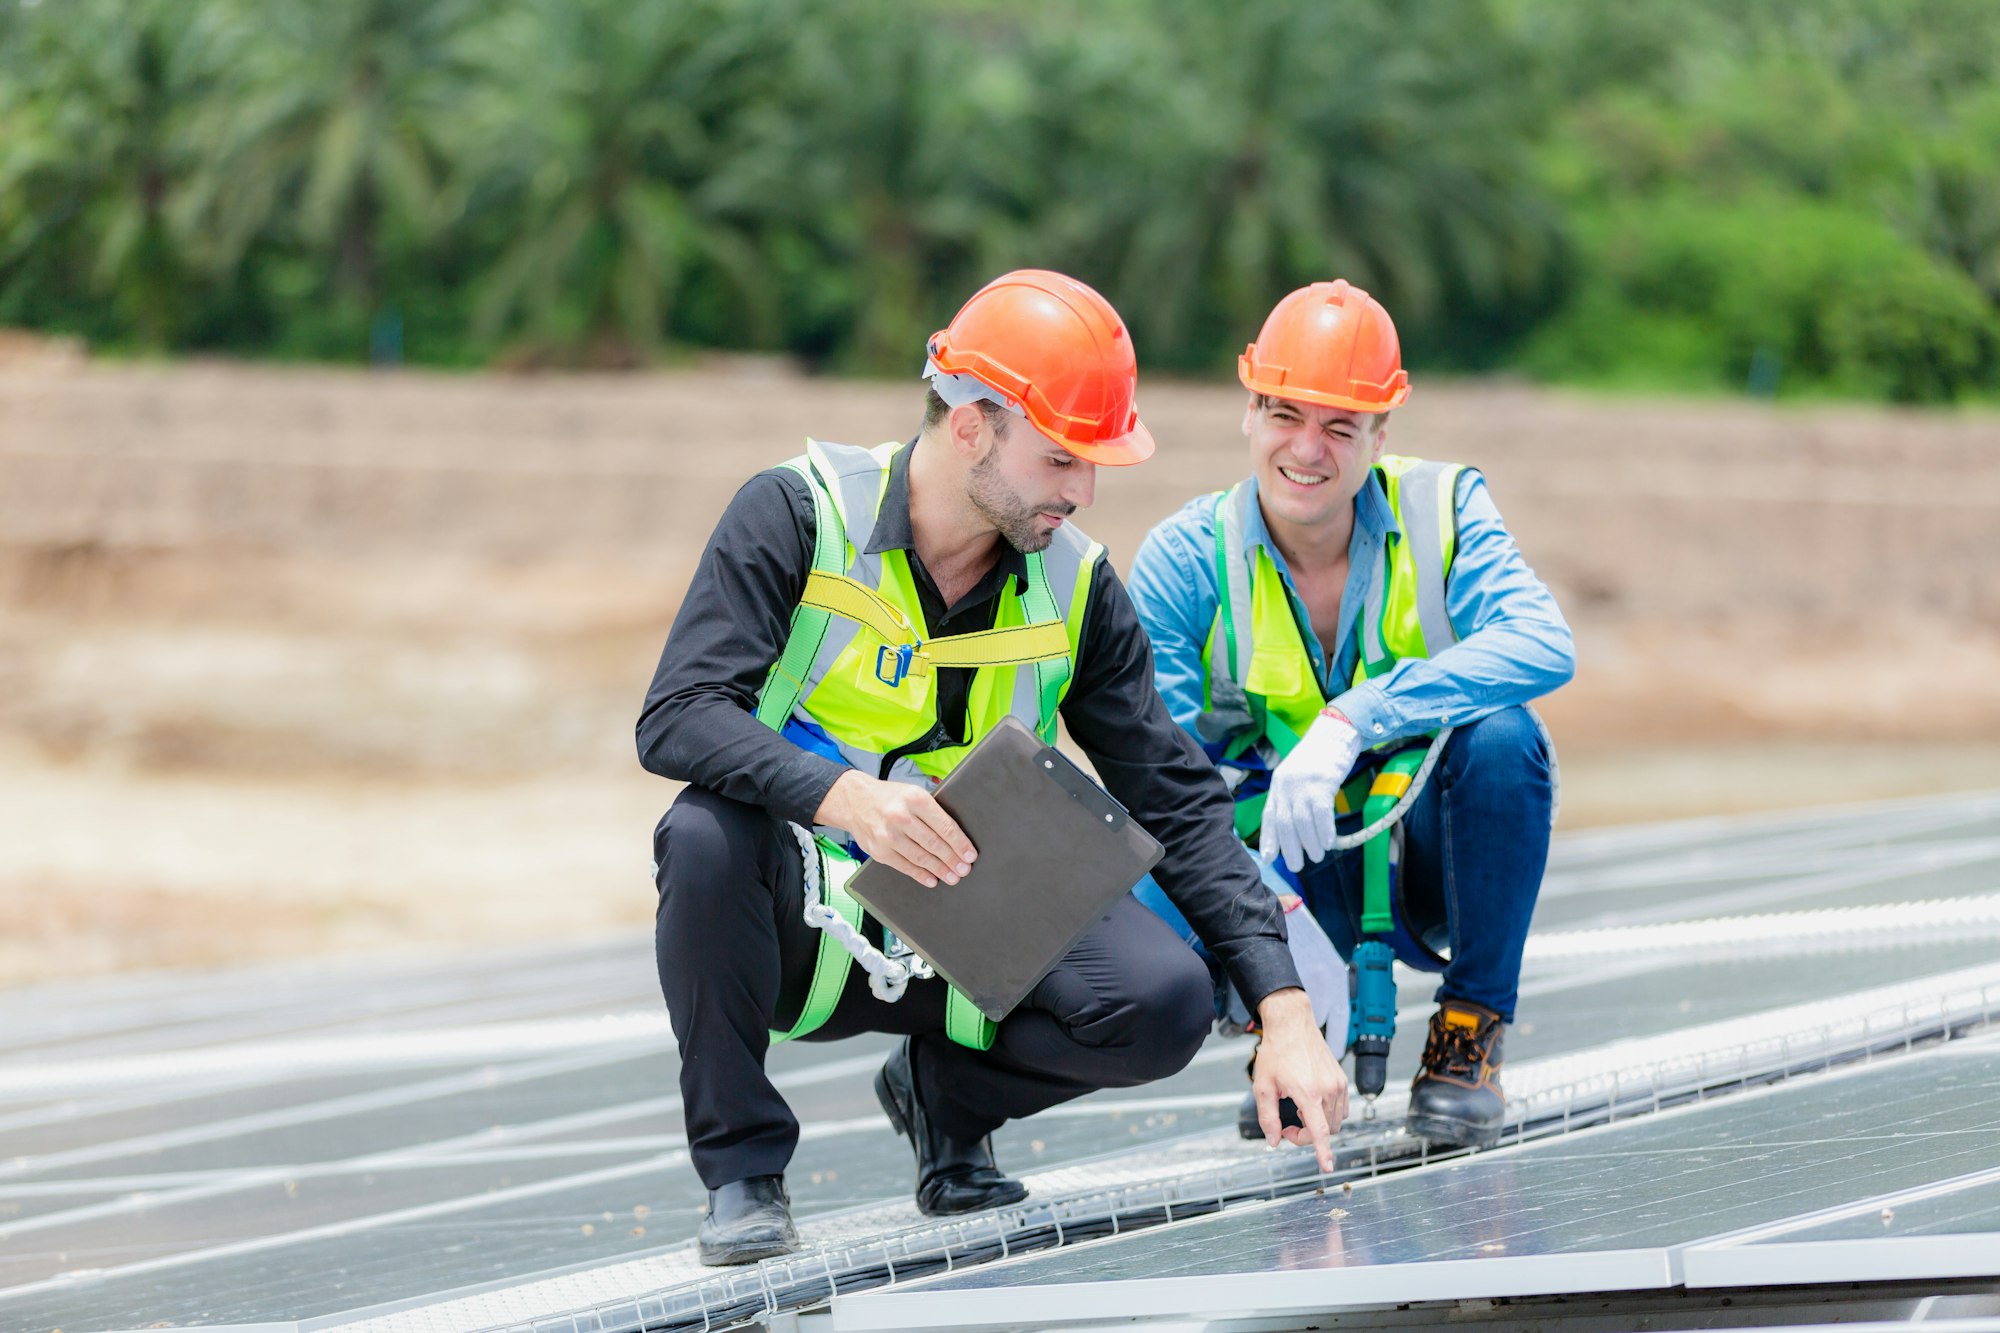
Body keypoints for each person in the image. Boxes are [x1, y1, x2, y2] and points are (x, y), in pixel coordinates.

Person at [637, 269, 1347, 1267]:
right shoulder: (796, 515)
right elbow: (675, 716)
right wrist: (848, 799)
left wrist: (1283, 1010)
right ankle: (743, 1171)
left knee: (1166, 1001)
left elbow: (1175, 799)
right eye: (1061, 457)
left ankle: (943, 1101)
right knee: (700, 834)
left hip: (979, 909)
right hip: (810, 888)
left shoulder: (1075, 582)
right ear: (970, 422)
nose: (1082, 490)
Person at [1127, 279, 1574, 1149]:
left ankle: (1468, 1034)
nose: (1308, 448)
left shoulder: (1441, 511)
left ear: (1380, 433)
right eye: (1286, 414)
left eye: (1340, 425)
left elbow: (1543, 642)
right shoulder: (1186, 560)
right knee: (1137, 888)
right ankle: (1282, 1038)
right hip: (1288, 860)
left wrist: (1354, 719)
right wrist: (1271, 940)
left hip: (1426, 856)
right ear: (1248, 410)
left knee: (1506, 738)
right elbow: (1159, 776)